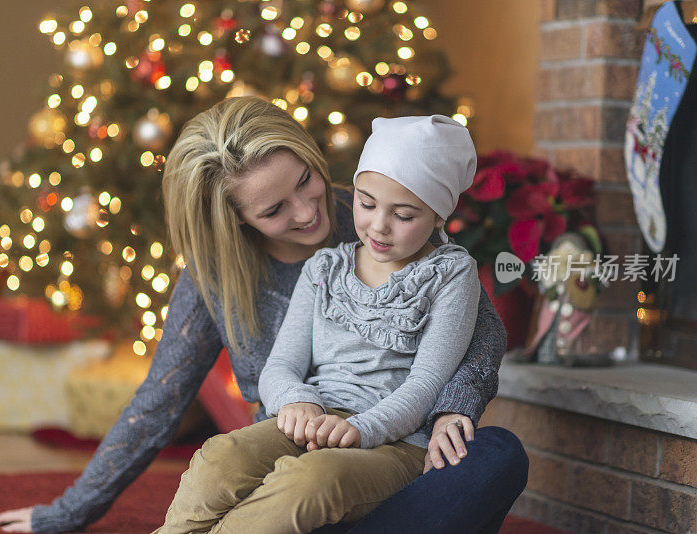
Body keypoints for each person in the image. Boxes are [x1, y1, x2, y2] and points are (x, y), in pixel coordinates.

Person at [0, 97, 527, 534]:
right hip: (288, 457)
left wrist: (450, 410)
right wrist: (67, 512)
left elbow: (478, 332)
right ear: (236, 220)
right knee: (242, 470)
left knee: (495, 455)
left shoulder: (375, 211)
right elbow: (159, 401)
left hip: (378, 450)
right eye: (273, 210)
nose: (309, 211)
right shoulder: (220, 274)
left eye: (305, 180)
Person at [155, 114, 484, 534]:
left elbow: (426, 383)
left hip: (395, 441)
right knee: (220, 457)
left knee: (310, 482)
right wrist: (295, 400)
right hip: (314, 418)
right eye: (366, 204)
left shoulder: (452, 273)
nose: (378, 226)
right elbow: (281, 366)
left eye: (403, 215)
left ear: (438, 216)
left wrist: (359, 429)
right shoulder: (325, 267)